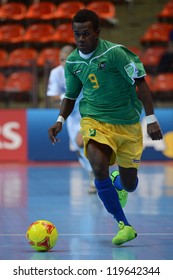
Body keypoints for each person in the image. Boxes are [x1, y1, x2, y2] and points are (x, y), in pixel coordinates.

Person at [48, 9, 163, 246]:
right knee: (98, 165)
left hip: (128, 124)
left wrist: (150, 118)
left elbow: (140, 82)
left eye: (86, 34)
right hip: (94, 120)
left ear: (97, 33)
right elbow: (70, 96)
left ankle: (119, 182)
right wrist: (60, 120)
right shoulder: (72, 62)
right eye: (77, 34)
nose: (81, 39)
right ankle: (124, 224)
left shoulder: (116, 54)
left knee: (130, 185)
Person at [47, 45, 96, 194]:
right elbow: (53, 96)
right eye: (61, 60)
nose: (64, 63)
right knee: (79, 148)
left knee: (84, 141)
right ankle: (93, 173)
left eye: (67, 59)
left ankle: (97, 175)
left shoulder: (84, 69)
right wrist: (65, 99)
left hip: (87, 110)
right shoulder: (56, 73)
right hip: (71, 115)